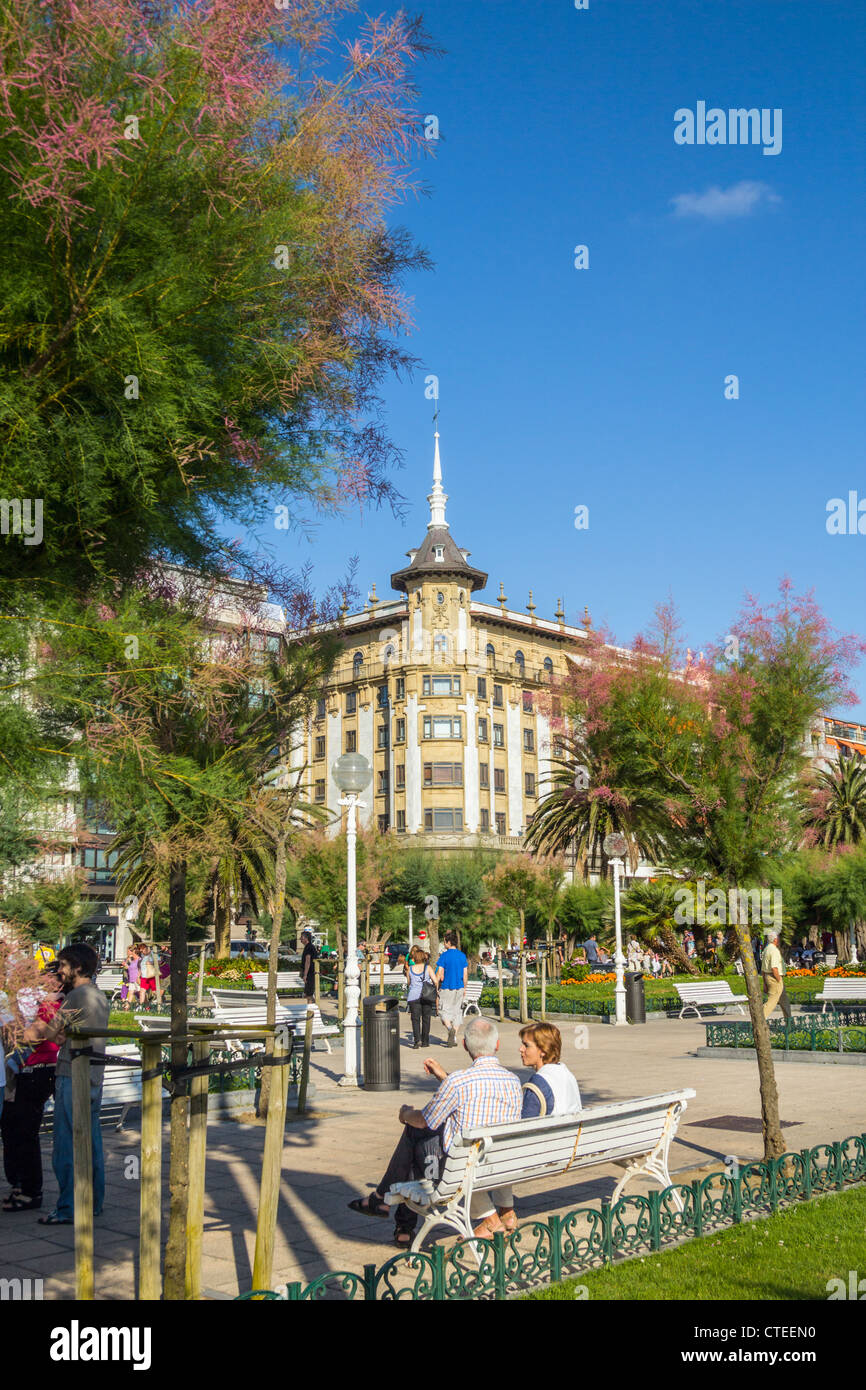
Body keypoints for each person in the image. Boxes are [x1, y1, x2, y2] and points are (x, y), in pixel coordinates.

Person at [347, 1016, 522, 1247]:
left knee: (414, 1134)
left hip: (459, 1170)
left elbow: (425, 1121)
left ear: (465, 1045)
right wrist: (443, 1076)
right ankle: (389, 1210)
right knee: (418, 1140)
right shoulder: (513, 1081)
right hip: (498, 1164)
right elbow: (473, 1095)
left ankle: (385, 1204)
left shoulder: (459, 1082)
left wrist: (405, 1114)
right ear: (497, 1045)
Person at [471, 1021, 582, 1236]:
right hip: (570, 1149)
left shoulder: (538, 1084)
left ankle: (491, 1220)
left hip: (541, 1156)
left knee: (477, 1156)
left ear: (542, 1051)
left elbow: (519, 1133)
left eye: (526, 1045)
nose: (521, 1049)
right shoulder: (566, 1073)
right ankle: (507, 1212)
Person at [36, 944, 110, 1226]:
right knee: (91, 1142)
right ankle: (93, 1203)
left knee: (65, 1144)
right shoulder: (98, 995)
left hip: (72, 1073)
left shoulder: (77, 995)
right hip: (93, 1074)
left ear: (78, 967)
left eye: (64, 964)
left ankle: (68, 1207)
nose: (60, 970)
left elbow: (51, 1033)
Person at [1, 965, 63, 1213]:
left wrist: (12, 1018)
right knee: (14, 1131)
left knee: (24, 1132)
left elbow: (30, 1036)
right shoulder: (42, 1002)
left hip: (37, 1070)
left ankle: (30, 1191)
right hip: (28, 1070)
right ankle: (20, 1185)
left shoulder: (54, 1005)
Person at [435, 932, 468, 1048]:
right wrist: (465, 988)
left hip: (447, 987)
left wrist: (436, 987)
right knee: (457, 1012)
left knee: (444, 1011)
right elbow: (465, 975)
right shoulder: (462, 956)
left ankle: (450, 1029)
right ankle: (453, 1037)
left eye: (444, 941)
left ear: (449, 942)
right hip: (459, 987)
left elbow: (439, 973)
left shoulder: (444, 956)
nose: (444, 943)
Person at [404, 946, 437, 1049]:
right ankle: (425, 1041)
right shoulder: (428, 968)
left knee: (415, 1019)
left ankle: (417, 1040)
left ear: (415, 958)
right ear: (424, 957)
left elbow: (409, 982)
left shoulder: (410, 969)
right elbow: (435, 981)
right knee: (426, 1018)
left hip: (414, 996)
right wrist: (435, 990)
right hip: (426, 995)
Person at [761, 928, 792, 1023]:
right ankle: (759, 1021)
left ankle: (790, 1023)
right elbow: (774, 968)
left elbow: (762, 969)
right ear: (775, 939)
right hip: (775, 978)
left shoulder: (766, 949)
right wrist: (779, 980)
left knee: (784, 1001)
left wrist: (765, 983)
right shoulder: (773, 950)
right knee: (771, 1002)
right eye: (778, 938)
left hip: (768, 976)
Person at [300, 930, 318, 1002]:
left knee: (308, 994)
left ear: (306, 938)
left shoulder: (309, 947)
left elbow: (308, 961)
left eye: (302, 937)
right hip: (310, 973)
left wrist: (305, 974)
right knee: (307, 993)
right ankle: (312, 1007)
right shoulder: (309, 947)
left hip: (310, 973)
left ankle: (311, 1008)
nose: (300, 939)